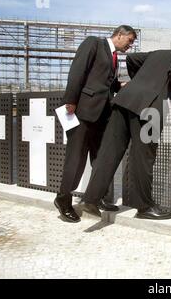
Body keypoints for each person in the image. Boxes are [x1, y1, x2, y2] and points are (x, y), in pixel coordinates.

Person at [80, 44, 171, 220]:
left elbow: (131, 58)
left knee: (109, 153)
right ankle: (144, 207)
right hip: (150, 109)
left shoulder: (159, 52)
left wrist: (139, 83)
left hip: (124, 101)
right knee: (144, 158)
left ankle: (90, 199)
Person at [54, 25, 137, 223]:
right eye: (130, 41)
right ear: (119, 35)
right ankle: (63, 198)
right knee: (76, 158)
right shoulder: (94, 43)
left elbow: (106, 82)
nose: (131, 45)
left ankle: (95, 198)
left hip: (102, 115)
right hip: (83, 111)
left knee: (100, 158)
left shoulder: (114, 56)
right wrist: (71, 100)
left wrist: (122, 85)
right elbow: (78, 70)